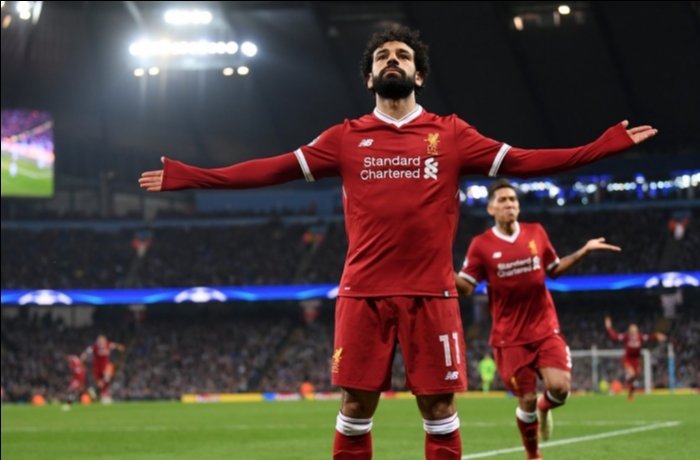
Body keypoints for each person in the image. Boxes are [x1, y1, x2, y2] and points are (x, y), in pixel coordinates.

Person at [139, 25, 657, 459]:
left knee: (438, 410)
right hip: (363, 293)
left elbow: (526, 159)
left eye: (403, 55)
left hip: (432, 295)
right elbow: (272, 169)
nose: (393, 60)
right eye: (383, 56)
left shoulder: (450, 134)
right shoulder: (345, 137)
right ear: (370, 76)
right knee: (357, 407)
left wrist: (601, 147)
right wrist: (193, 176)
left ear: (419, 74)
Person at [455, 179, 622, 459]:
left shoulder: (536, 233)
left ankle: (546, 408)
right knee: (527, 399)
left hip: (545, 328)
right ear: (491, 208)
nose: (510, 204)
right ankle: (533, 455)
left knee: (560, 389)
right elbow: (468, 286)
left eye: (513, 200)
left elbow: (554, 270)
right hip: (509, 337)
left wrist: (584, 250)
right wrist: (440, 271)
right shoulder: (481, 245)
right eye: (504, 200)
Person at [604, 316, 666, 401]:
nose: (634, 331)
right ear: (629, 331)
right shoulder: (626, 337)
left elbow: (649, 337)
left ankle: (630, 394)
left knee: (634, 378)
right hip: (627, 359)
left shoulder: (640, 337)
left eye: (635, 329)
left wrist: (657, 335)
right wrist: (609, 327)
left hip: (636, 361)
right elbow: (615, 336)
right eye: (632, 329)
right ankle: (623, 384)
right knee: (632, 374)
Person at [80, 335, 125, 404]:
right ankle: (101, 395)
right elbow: (87, 351)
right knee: (100, 384)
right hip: (97, 368)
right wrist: (83, 356)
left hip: (106, 367)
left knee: (107, 377)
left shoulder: (108, 345)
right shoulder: (94, 347)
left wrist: (119, 347)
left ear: (105, 341)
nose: (101, 342)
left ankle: (105, 395)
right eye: (99, 341)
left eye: (102, 341)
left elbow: (114, 345)